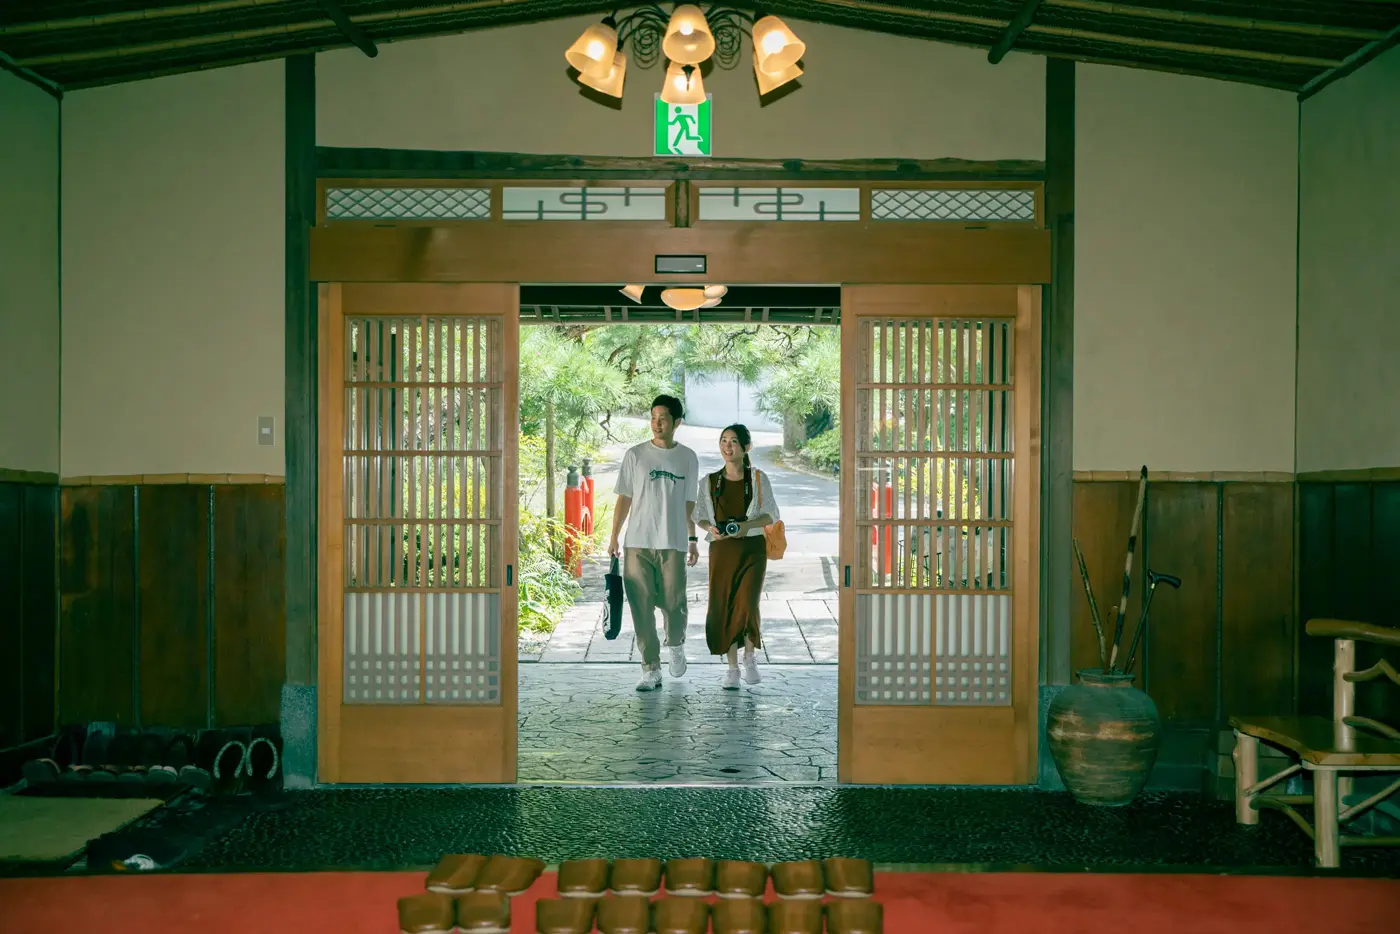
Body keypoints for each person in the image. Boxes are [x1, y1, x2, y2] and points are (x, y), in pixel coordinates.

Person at [608, 395, 701, 692]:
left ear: (677, 423)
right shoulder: (635, 455)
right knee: (640, 606)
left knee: (675, 603)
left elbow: (689, 503)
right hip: (638, 541)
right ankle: (650, 667)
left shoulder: (688, 457)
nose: (656, 423)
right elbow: (624, 498)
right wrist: (613, 536)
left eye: (663, 418)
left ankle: (675, 644)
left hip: (673, 542)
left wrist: (692, 539)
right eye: (653, 417)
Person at [693, 424, 780, 690]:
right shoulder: (709, 481)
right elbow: (700, 516)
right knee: (723, 604)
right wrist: (711, 529)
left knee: (748, 602)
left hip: (752, 549)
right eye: (723, 441)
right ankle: (732, 668)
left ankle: (750, 656)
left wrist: (744, 526)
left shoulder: (757, 478)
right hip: (722, 551)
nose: (727, 446)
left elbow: (771, 514)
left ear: (746, 448)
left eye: (733, 442)